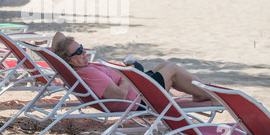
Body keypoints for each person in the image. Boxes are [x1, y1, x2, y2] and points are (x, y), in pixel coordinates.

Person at [51, 32, 216, 112]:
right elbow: (119, 95)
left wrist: (59, 52)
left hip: (138, 90)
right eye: (79, 52)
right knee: (171, 69)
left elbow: (59, 35)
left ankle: (202, 93)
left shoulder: (78, 68)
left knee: (164, 64)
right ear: (69, 60)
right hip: (140, 100)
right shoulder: (87, 75)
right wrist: (127, 74)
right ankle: (211, 95)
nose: (84, 52)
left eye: (82, 47)